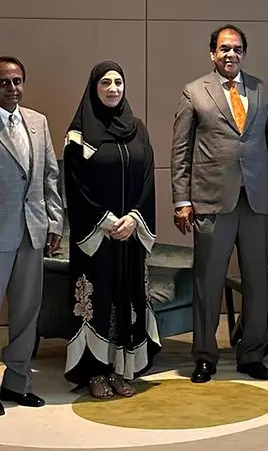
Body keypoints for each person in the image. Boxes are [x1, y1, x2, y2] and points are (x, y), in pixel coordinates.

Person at [171, 24, 268, 383]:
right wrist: (182, 199)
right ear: (212, 54)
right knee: (209, 281)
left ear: (244, 54)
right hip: (211, 201)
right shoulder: (194, 91)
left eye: (236, 49)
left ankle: (252, 354)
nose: (230, 54)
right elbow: (181, 149)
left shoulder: (262, 90)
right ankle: (205, 357)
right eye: (224, 48)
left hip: (257, 201)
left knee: (257, 282)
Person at [63, 61, 161, 399]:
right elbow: (75, 187)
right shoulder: (77, 136)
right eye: (105, 82)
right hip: (97, 236)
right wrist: (106, 221)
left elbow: (148, 177)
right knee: (98, 300)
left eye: (118, 82)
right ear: (94, 88)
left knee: (126, 297)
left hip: (129, 234)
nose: (113, 88)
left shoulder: (138, 129)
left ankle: (121, 369)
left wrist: (134, 218)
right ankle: (94, 372)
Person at [0, 56, 63, 415]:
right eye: (4, 82)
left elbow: (49, 176)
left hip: (32, 231)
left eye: (17, 81)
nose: (13, 88)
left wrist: (54, 222)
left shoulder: (37, 122)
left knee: (26, 313)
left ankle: (17, 383)